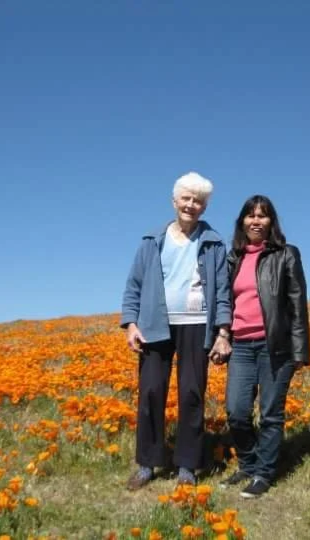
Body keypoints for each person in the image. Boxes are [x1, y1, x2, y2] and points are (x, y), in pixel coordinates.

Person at [121, 171, 232, 490]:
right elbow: (134, 285)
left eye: (198, 201)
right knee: (151, 392)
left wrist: (223, 332)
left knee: (192, 393)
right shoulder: (151, 241)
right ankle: (147, 463)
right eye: (186, 198)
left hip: (197, 324)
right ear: (174, 201)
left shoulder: (213, 243)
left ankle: (187, 464)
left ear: (204, 208)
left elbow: (222, 290)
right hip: (155, 324)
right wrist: (130, 323)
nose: (191, 205)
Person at [220, 194, 310, 498]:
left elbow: (298, 304)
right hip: (242, 346)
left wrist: (300, 351)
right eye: (250, 215)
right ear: (242, 221)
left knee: (271, 413)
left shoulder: (286, 254)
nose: (256, 221)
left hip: (276, 346)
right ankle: (248, 463)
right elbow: (224, 302)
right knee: (236, 411)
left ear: (271, 221)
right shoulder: (234, 259)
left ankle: (264, 472)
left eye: (263, 215)